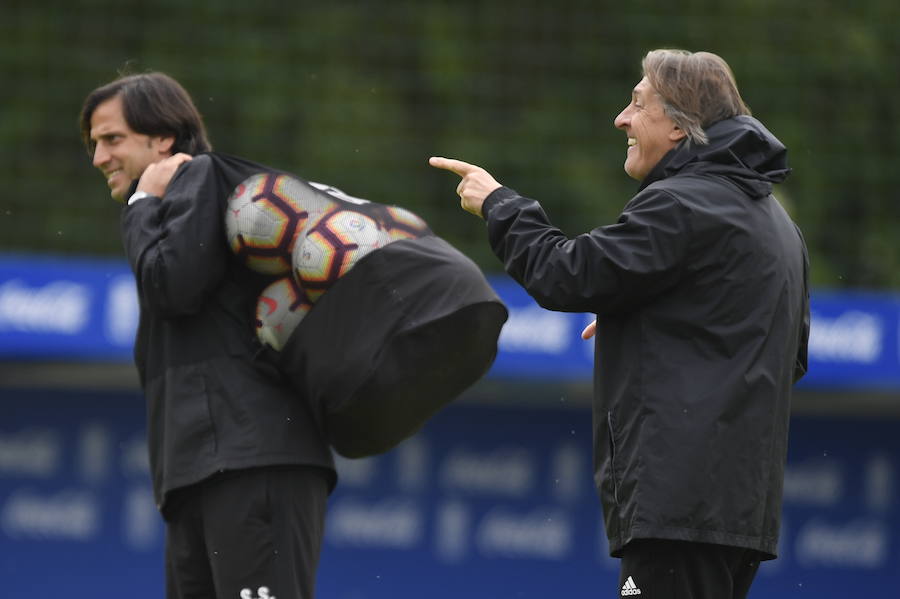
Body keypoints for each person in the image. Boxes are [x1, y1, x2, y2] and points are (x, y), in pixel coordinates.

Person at [431, 49, 810, 599]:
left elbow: (566, 274)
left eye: (637, 104)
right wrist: (652, 324)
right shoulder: (778, 224)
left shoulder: (684, 203)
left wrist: (499, 204)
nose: (621, 118)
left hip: (676, 509)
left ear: (680, 127)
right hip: (741, 514)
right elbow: (781, 356)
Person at [80, 72, 335, 599]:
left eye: (111, 139)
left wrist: (140, 205)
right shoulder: (188, 207)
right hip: (207, 467)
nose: (99, 157)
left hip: (251, 461)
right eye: (94, 144)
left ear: (162, 138)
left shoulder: (198, 179)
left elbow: (169, 287)